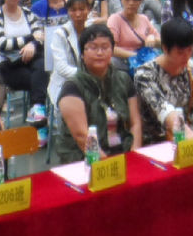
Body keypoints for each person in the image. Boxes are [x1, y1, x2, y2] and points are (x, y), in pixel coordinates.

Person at [54, 23, 142, 164]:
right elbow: (82, 137)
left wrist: (135, 154)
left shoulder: (123, 79)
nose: (100, 53)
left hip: (121, 151)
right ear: (82, 53)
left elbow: (135, 123)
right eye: (93, 48)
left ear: (112, 51)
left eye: (105, 47)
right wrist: (110, 166)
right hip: (84, 158)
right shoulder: (72, 87)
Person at [133, 17, 193, 141]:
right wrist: (187, 133)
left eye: (190, 50)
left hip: (186, 136)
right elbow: (163, 109)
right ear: (164, 48)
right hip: (157, 141)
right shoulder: (145, 74)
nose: (186, 56)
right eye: (180, 52)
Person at [48, 0, 93, 105]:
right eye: (73, 10)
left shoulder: (93, 31)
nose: (78, 14)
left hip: (91, 80)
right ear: (68, 11)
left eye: (82, 9)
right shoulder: (60, 34)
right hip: (66, 83)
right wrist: (86, 76)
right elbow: (62, 68)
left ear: (89, 9)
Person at [107, 0, 160, 70]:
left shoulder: (144, 19)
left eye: (135, 0)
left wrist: (152, 38)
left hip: (145, 60)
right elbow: (111, 48)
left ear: (141, 1)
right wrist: (136, 56)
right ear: (121, 0)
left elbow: (161, 42)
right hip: (124, 62)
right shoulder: (114, 19)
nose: (131, 3)